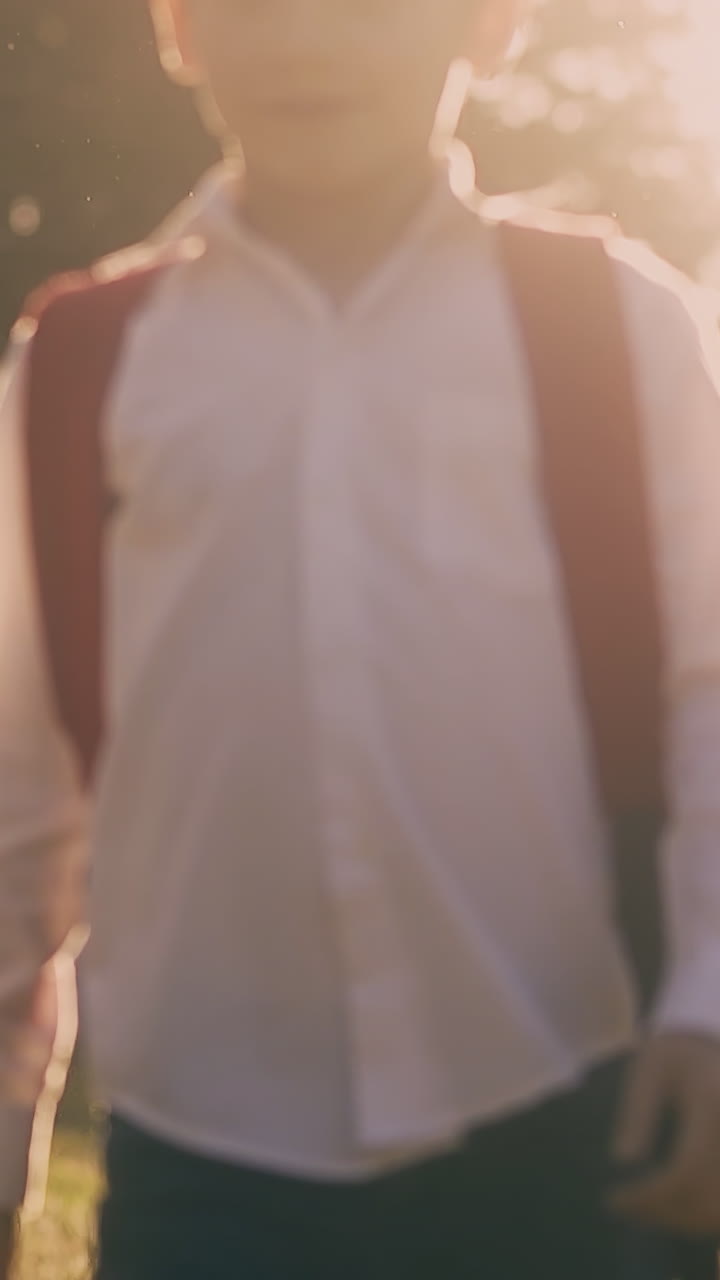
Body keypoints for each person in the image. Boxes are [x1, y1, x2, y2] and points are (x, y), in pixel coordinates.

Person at [2, 1, 720, 1276]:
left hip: (570, 1114)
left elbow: (708, 690)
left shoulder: (617, 326)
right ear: (178, 33)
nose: (304, 41)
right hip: (204, 1162)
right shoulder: (81, 363)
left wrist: (710, 1003)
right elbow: (24, 779)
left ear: (488, 25)